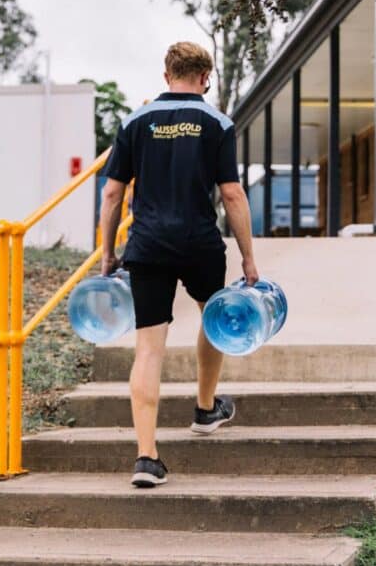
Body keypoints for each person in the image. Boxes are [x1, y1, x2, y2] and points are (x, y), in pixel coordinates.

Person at [99, 41, 259, 488]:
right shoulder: (217, 122)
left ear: (166, 75)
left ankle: (146, 457)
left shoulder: (136, 120)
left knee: (149, 348)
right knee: (214, 318)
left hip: (147, 245)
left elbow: (112, 193)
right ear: (205, 78)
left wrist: (109, 251)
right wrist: (248, 257)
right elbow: (231, 193)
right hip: (199, 242)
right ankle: (205, 408)